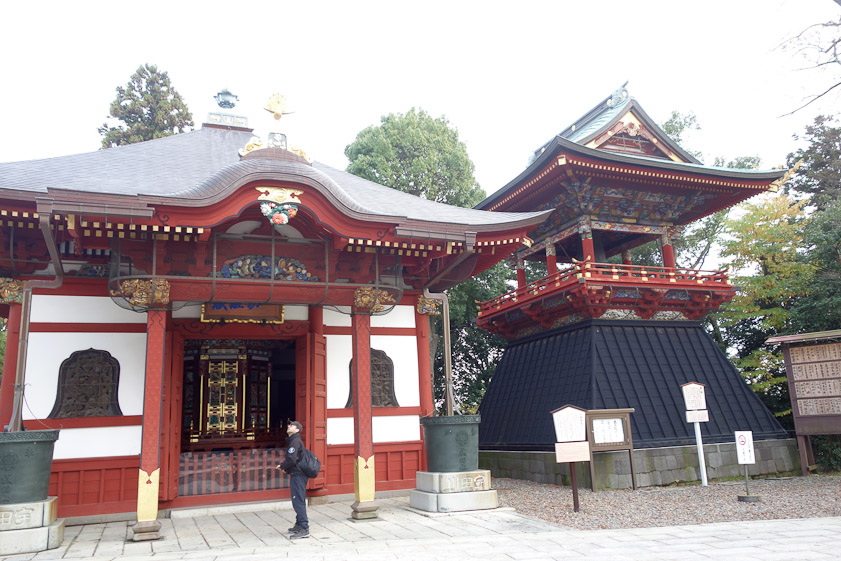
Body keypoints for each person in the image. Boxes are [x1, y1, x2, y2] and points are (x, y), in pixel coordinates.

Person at [278, 421, 309, 539]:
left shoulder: (295, 441)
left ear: (297, 430)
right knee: (297, 499)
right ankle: (299, 525)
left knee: (298, 501)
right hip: (297, 473)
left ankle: (304, 528)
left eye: (292, 425)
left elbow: (291, 459)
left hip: (299, 475)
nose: (288, 426)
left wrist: (282, 466)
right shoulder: (294, 441)